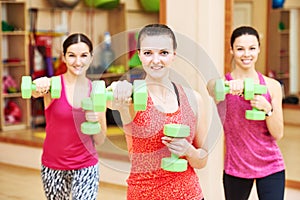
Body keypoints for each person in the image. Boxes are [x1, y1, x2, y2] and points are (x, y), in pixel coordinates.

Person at [108, 24, 208, 200]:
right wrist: (117, 87)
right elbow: (110, 102)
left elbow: (202, 160)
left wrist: (189, 151)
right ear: (139, 55)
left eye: (163, 53)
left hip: (189, 194)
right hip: (144, 194)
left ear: (173, 55)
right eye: (148, 53)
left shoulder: (194, 99)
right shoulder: (132, 97)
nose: (156, 60)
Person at [207, 26, 285, 200]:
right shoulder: (223, 85)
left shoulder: (272, 86)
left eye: (252, 48)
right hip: (236, 167)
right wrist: (231, 85)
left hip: (271, 165)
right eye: (240, 49)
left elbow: (278, 134)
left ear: (258, 49)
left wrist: (267, 109)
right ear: (232, 51)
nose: (246, 54)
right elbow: (210, 87)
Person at [32, 33, 107, 200]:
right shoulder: (52, 85)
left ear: (91, 57)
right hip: (53, 165)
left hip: (86, 165)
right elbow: (33, 91)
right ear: (64, 57)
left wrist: (95, 121)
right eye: (72, 55)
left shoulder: (96, 90)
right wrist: (39, 83)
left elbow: (100, 140)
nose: (78, 62)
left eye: (83, 56)